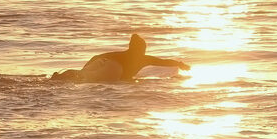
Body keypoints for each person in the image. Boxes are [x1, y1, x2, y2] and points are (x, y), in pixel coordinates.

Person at [53, 34, 190, 82]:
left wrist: (86, 66)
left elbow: (97, 56)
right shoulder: (142, 58)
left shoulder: (124, 54)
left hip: (107, 68)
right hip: (114, 72)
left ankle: (60, 77)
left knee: (82, 75)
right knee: (84, 76)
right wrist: (180, 64)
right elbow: (164, 62)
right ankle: (62, 77)